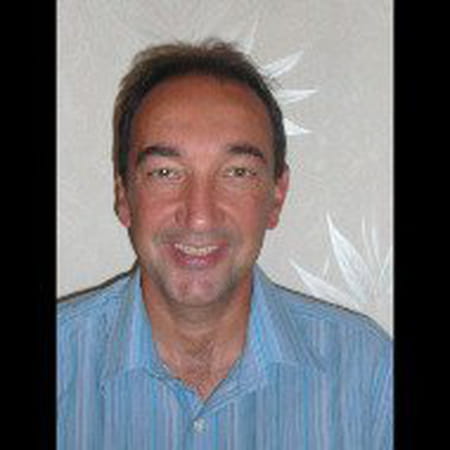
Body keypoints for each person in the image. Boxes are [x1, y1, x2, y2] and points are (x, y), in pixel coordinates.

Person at [57, 39, 392, 449]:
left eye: (237, 172)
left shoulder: (369, 374)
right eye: (165, 172)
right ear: (124, 195)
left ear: (276, 196)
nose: (200, 216)